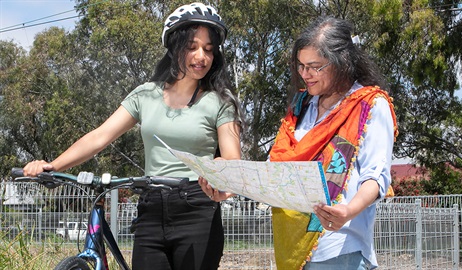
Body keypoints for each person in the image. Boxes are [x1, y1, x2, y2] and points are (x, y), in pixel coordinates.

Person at [22, 2, 242, 270]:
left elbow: (231, 158)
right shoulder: (145, 95)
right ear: (175, 47)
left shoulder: (220, 102)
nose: (201, 57)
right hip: (150, 209)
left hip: (197, 208)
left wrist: (219, 172)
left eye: (209, 50)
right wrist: (53, 165)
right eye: (192, 47)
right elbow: (99, 137)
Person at [266, 16, 398, 269]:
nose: (305, 74)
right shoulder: (301, 105)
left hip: (340, 248)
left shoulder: (370, 105)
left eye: (315, 66)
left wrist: (348, 211)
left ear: (342, 62)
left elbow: (376, 176)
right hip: (291, 248)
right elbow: (278, 163)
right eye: (301, 66)